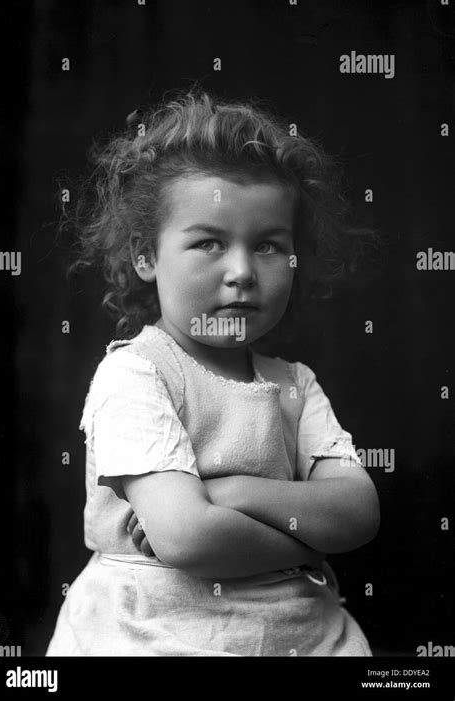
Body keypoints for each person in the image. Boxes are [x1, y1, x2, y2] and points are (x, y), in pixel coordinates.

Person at [46, 89, 380, 656]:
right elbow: (189, 538)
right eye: (208, 242)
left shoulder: (293, 382)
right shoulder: (135, 375)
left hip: (300, 633)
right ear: (145, 255)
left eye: (270, 246)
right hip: (153, 632)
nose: (243, 272)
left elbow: (357, 513)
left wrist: (228, 491)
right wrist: (309, 543)